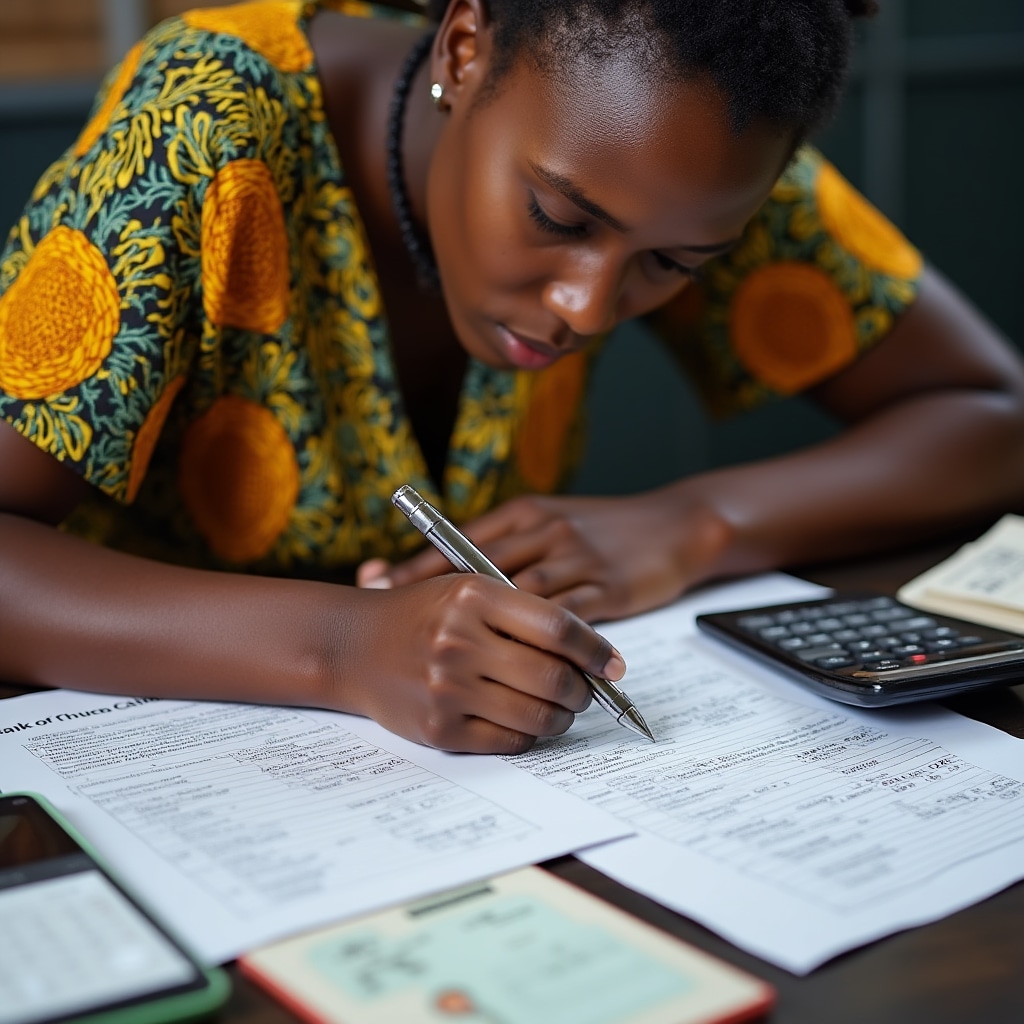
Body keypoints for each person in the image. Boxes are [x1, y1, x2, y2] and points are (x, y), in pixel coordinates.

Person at [2, 0, 1023, 754]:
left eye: (670, 267)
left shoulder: (697, 153)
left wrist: (698, 523)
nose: (588, 306)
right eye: (560, 220)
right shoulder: (207, 122)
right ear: (463, 46)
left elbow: (993, 417)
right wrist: (344, 647)